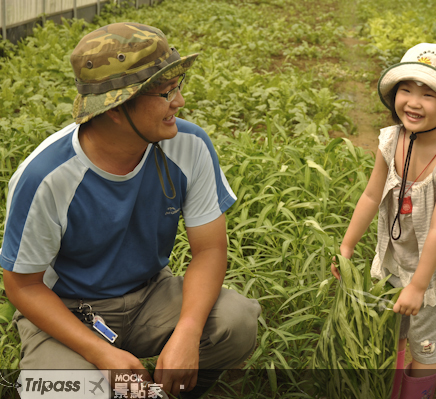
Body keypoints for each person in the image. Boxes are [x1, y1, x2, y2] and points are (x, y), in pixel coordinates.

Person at [1, 22, 261, 398]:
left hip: (150, 294)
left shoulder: (188, 146)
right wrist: (102, 353)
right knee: (65, 390)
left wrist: (187, 331)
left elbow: (210, 249)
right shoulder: (46, 177)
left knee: (236, 321)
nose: (179, 103)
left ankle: (172, 390)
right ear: (116, 109)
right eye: (164, 93)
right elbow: (22, 286)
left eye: (177, 87)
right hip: (68, 309)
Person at [331, 43, 436, 399]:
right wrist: (347, 247)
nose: (413, 102)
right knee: (393, 332)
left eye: (429, 94)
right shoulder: (392, 138)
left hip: (435, 271)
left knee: (424, 348)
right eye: (406, 89)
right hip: (398, 258)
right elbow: (370, 195)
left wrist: (418, 286)